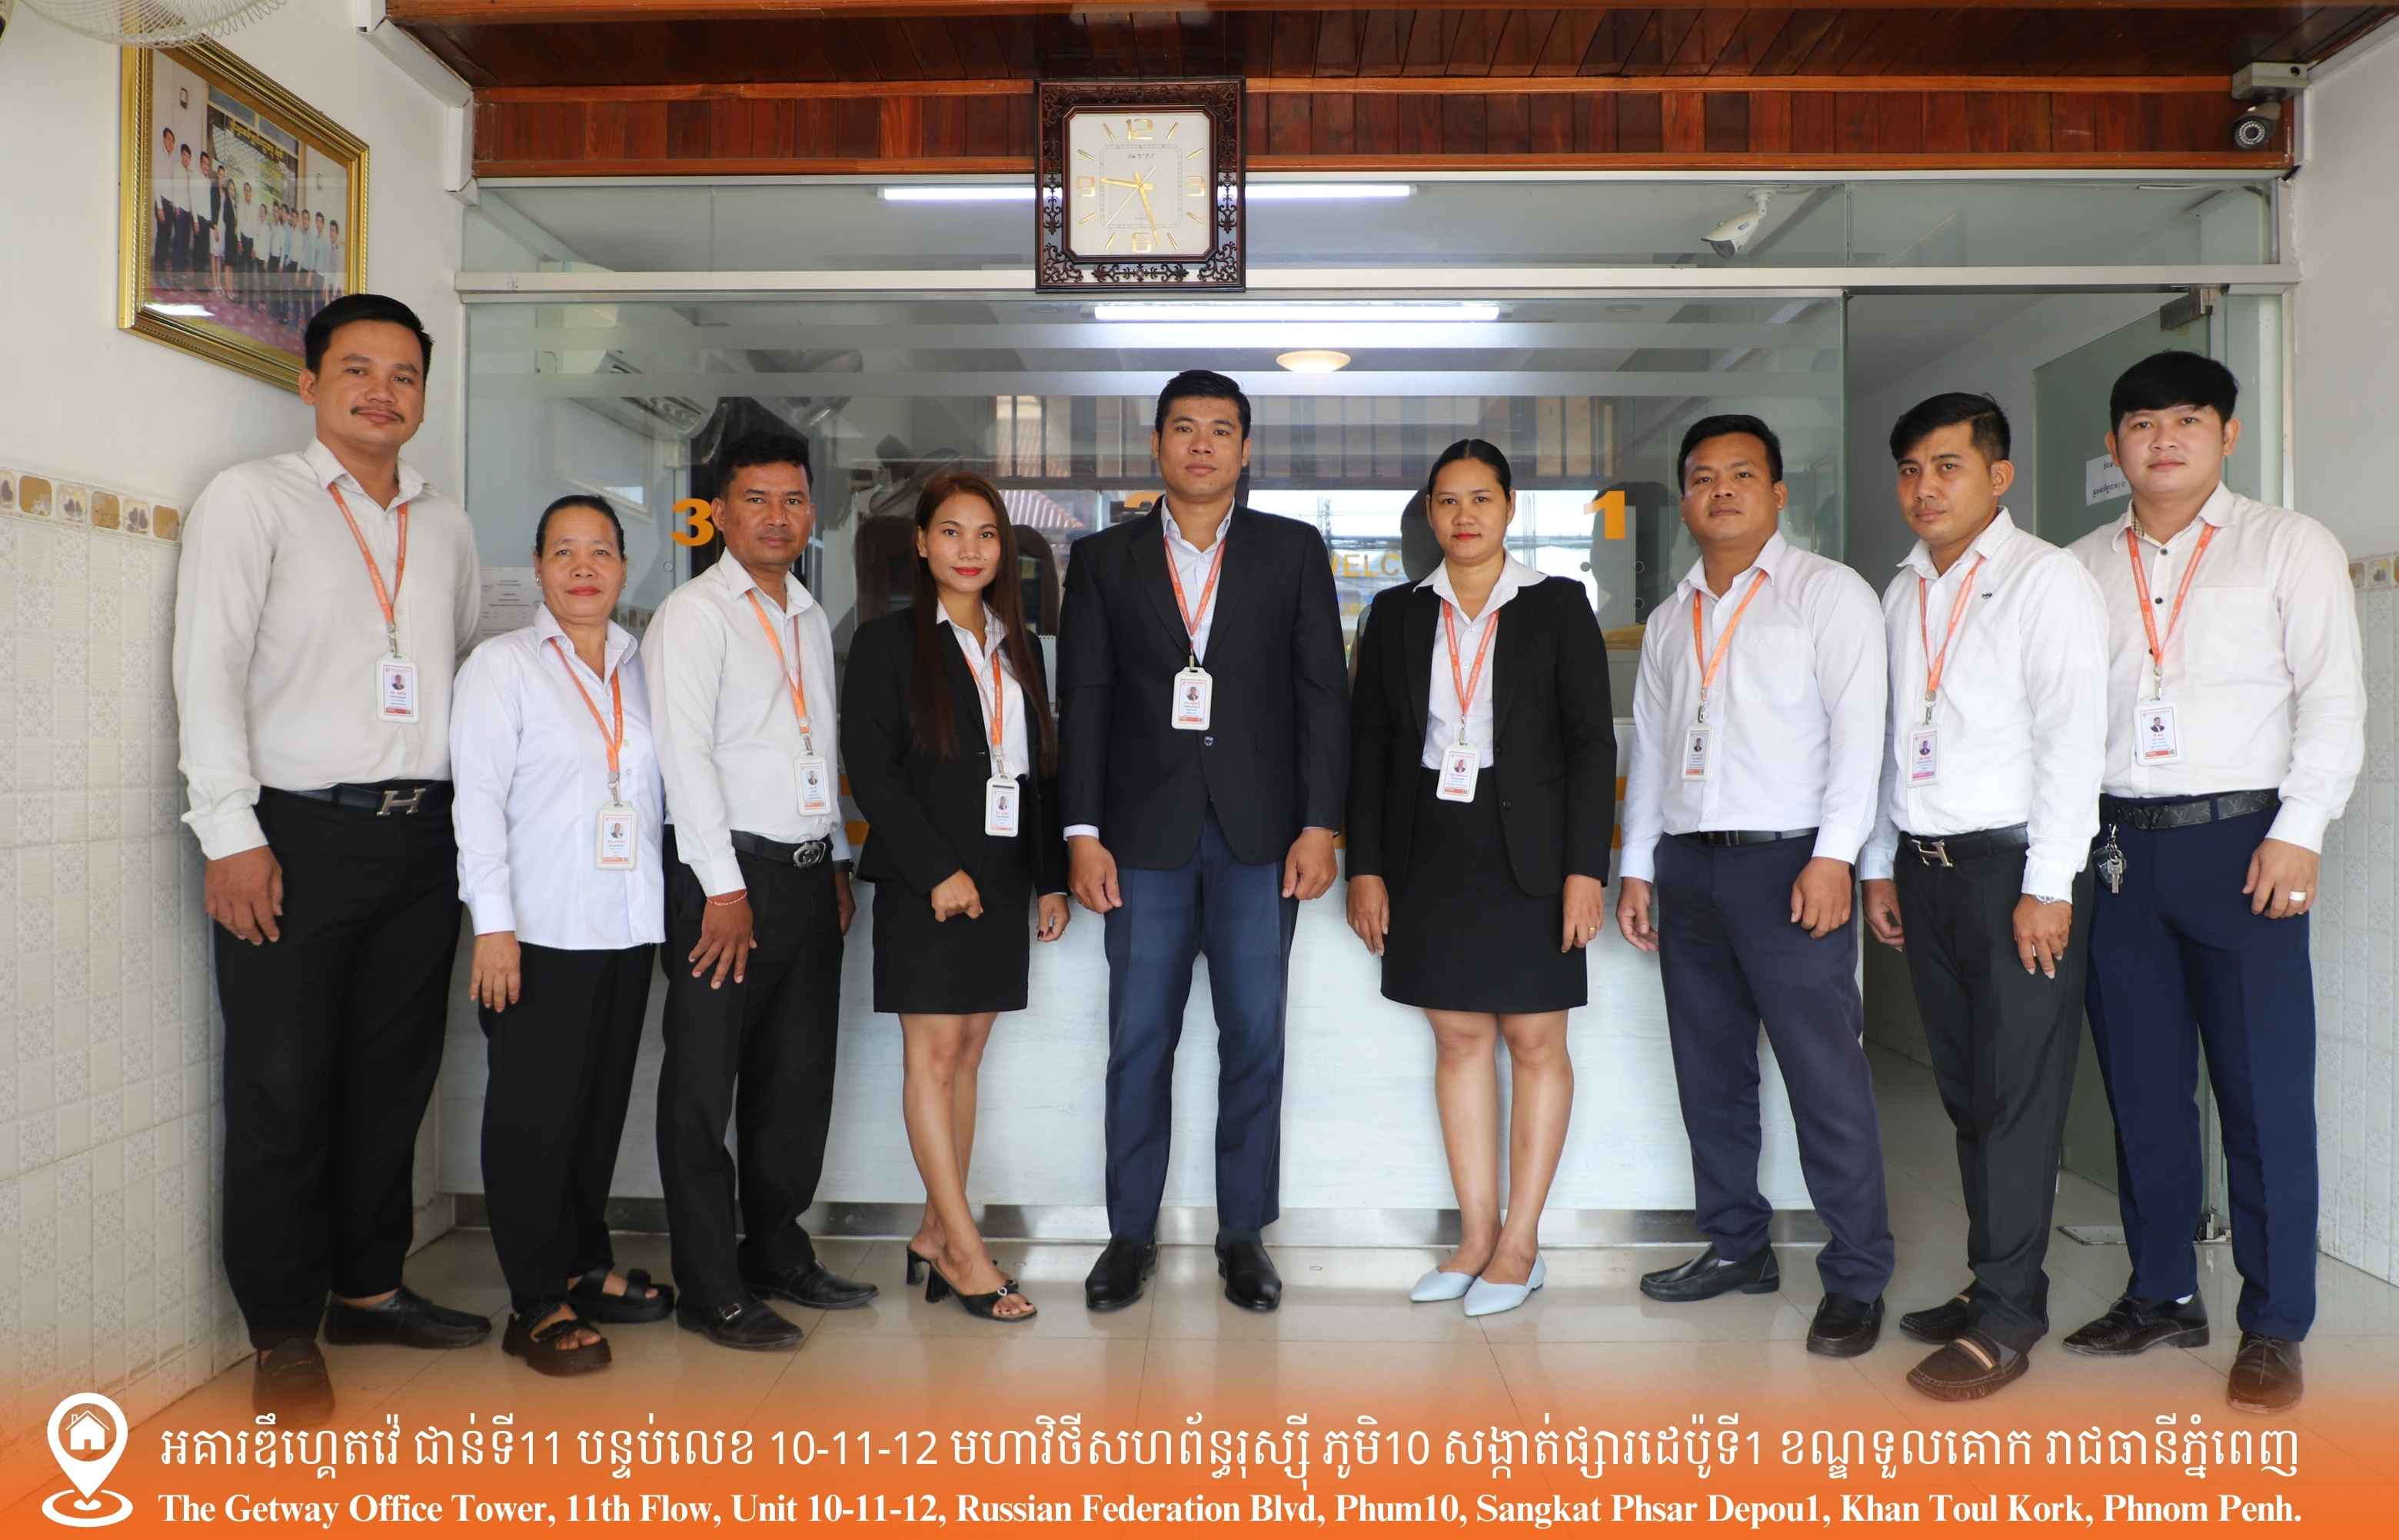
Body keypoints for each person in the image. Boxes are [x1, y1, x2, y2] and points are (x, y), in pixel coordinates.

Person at [173, 294, 485, 1425]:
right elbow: (208, 670)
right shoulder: (252, 498)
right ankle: (281, 1331)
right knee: (283, 1084)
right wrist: (231, 833)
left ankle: (368, 1287)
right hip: (293, 834)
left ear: (423, 396)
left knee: (392, 1079)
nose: (381, 393)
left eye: (404, 376)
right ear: (309, 384)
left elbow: (454, 664)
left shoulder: (446, 525)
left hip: (422, 836)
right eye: (357, 370)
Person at [2061, 351, 2364, 1413]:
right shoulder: (2079, 568)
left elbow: (2333, 699)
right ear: (2115, 445)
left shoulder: (2289, 545)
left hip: (2245, 845)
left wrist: (2301, 829)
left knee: (2262, 1093)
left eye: (2187, 419)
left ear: (2227, 434)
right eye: (2142, 423)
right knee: (2142, 1090)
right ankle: (2162, 1291)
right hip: (2116, 852)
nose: (2164, 439)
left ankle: (2274, 1323)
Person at [1057, 369, 1348, 1315]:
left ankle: (1243, 1233)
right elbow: (1085, 700)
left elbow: (1322, 695)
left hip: (1261, 837)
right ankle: (1129, 1234)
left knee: (1255, 1036)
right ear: (1156, 445)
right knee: (1139, 1039)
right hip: (1141, 840)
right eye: (1184, 428)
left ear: (1245, 449)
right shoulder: (1103, 559)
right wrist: (1082, 831)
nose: (1201, 445)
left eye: (1221, 429)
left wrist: (1320, 823)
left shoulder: (1291, 550)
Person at [1616, 414, 1896, 1358]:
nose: (1721, 490)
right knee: (1711, 1070)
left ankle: (1856, 1273)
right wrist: (1638, 864)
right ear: (1685, 500)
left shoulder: (1827, 593)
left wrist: (1836, 855)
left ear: (1778, 492)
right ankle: (1736, 1243)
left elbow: (1861, 735)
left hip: (1791, 863)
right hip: (1690, 865)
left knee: (1824, 1074)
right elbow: (1654, 749)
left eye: (1741, 474)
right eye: (1702, 477)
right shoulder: (1671, 616)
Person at [1854, 394, 2108, 1399]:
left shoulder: (2046, 581)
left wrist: (2050, 885)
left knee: (2016, 1094)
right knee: (1966, 1090)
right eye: (1911, 468)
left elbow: (2072, 740)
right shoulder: (1902, 589)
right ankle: (1995, 1278)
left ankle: (2006, 1318)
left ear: (1998, 476)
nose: (1926, 486)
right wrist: (1881, 860)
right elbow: (1891, 737)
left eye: (1948, 465)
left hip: (2015, 873)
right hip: (1929, 869)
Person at [1345, 439, 1613, 1318]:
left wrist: (1585, 869)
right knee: (1458, 1036)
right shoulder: (1395, 613)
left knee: (1535, 1038)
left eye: (1482, 498)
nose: (1465, 515)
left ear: (1509, 507)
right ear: (1430, 513)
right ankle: (1474, 1236)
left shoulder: (1557, 605)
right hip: (1431, 844)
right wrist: (1366, 867)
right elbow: (1371, 749)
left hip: (1531, 848)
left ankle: (1521, 1243)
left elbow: (1590, 746)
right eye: (1449, 500)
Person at [644, 431, 876, 1350]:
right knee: (704, 1089)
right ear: (719, 513)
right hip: (727, 885)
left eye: (793, 499)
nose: (778, 517)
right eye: (756, 498)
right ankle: (710, 1286)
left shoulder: (809, 615)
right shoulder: (694, 614)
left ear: (811, 511)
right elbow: (684, 757)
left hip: (809, 878)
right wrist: (723, 887)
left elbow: (817, 748)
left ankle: (775, 1249)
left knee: (795, 1081)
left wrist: (839, 860)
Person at [451, 494, 674, 1377]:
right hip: (538, 931)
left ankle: (584, 1262)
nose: (584, 567)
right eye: (564, 552)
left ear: (624, 565)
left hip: (626, 925)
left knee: (597, 1108)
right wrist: (493, 926)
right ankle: (535, 1299)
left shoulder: (640, 664)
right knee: (533, 1119)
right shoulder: (501, 666)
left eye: (601, 551)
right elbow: (476, 803)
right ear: (539, 566)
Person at [843, 471, 1071, 1322]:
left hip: (1002, 875)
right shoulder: (886, 643)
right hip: (925, 879)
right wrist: (937, 870)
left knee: (969, 1053)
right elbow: (874, 772)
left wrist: (1049, 876)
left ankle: (936, 1230)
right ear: (922, 543)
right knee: (932, 1055)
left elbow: (1039, 771)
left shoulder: (1020, 644)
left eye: (986, 534)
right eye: (951, 532)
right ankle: (967, 1251)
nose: (970, 550)